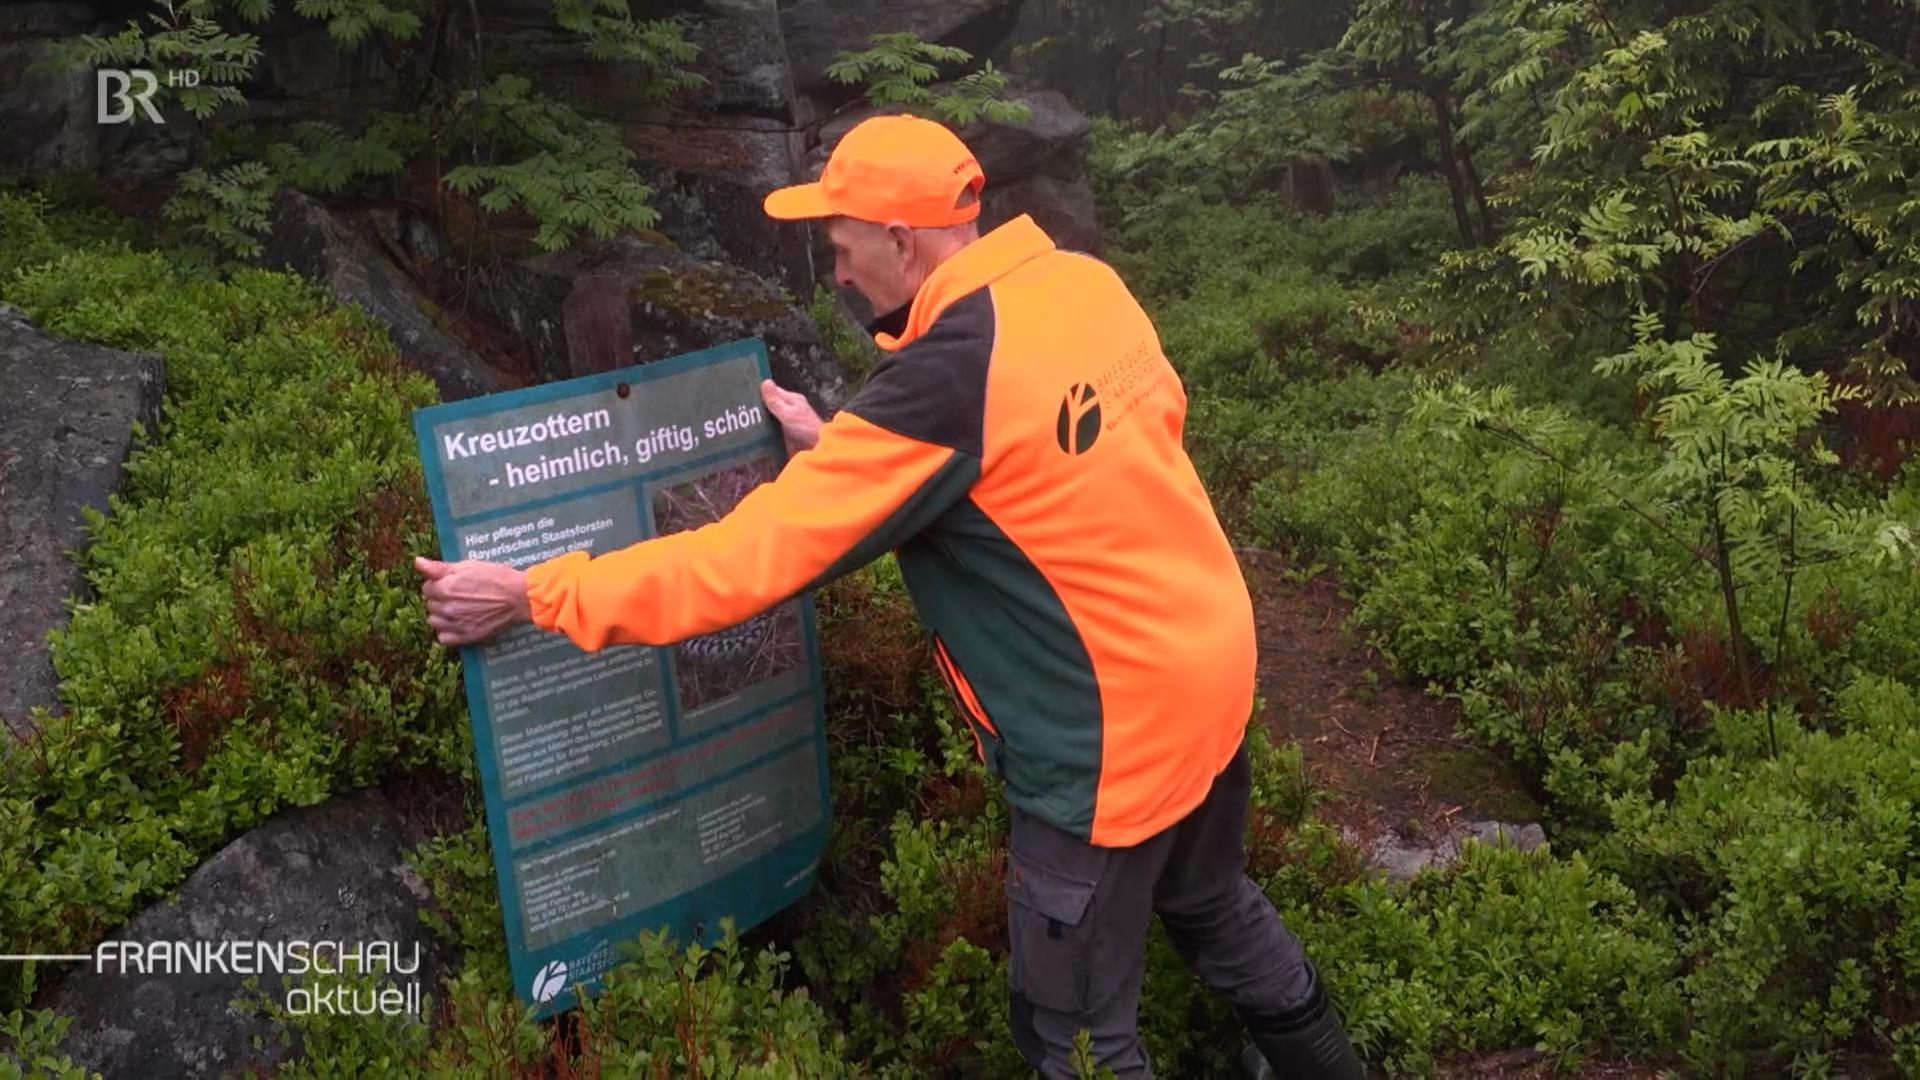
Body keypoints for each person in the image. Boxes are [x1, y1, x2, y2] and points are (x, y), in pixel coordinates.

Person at [414, 114, 1366, 1079]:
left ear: (903, 241)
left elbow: (738, 564)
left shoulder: (942, 380)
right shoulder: (1083, 285)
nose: (836, 275)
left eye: (842, 247)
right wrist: (851, 452)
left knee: (1073, 1032)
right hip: (1209, 673)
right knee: (1211, 901)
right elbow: (1074, 451)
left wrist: (536, 592)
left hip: (1103, 745)